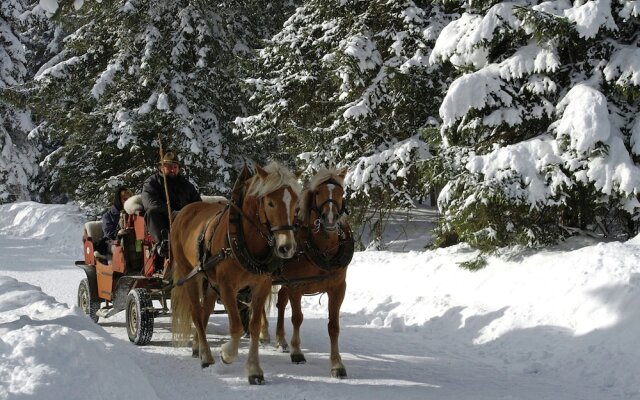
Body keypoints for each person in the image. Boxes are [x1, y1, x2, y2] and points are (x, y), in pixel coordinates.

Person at [141, 151, 201, 257]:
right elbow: (151, 202)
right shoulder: (151, 182)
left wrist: (188, 213)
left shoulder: (187, 185)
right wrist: (172, 213)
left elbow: (197, 203)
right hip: (164, 219)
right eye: (169, 167)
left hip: (186, 219)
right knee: (152, 212)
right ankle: (162, 245)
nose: (172, 170)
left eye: (175, 167)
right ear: (162, 167)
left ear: (178, 168)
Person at [99, 187, 133, 254]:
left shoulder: (134, 213)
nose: (127, 202)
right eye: (125, 199)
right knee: (122, 249)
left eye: (129, 199)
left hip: (131, 241)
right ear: (119, 200)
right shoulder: (108, 215)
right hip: (111, 242)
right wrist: (120, 233)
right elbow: (108, 233)